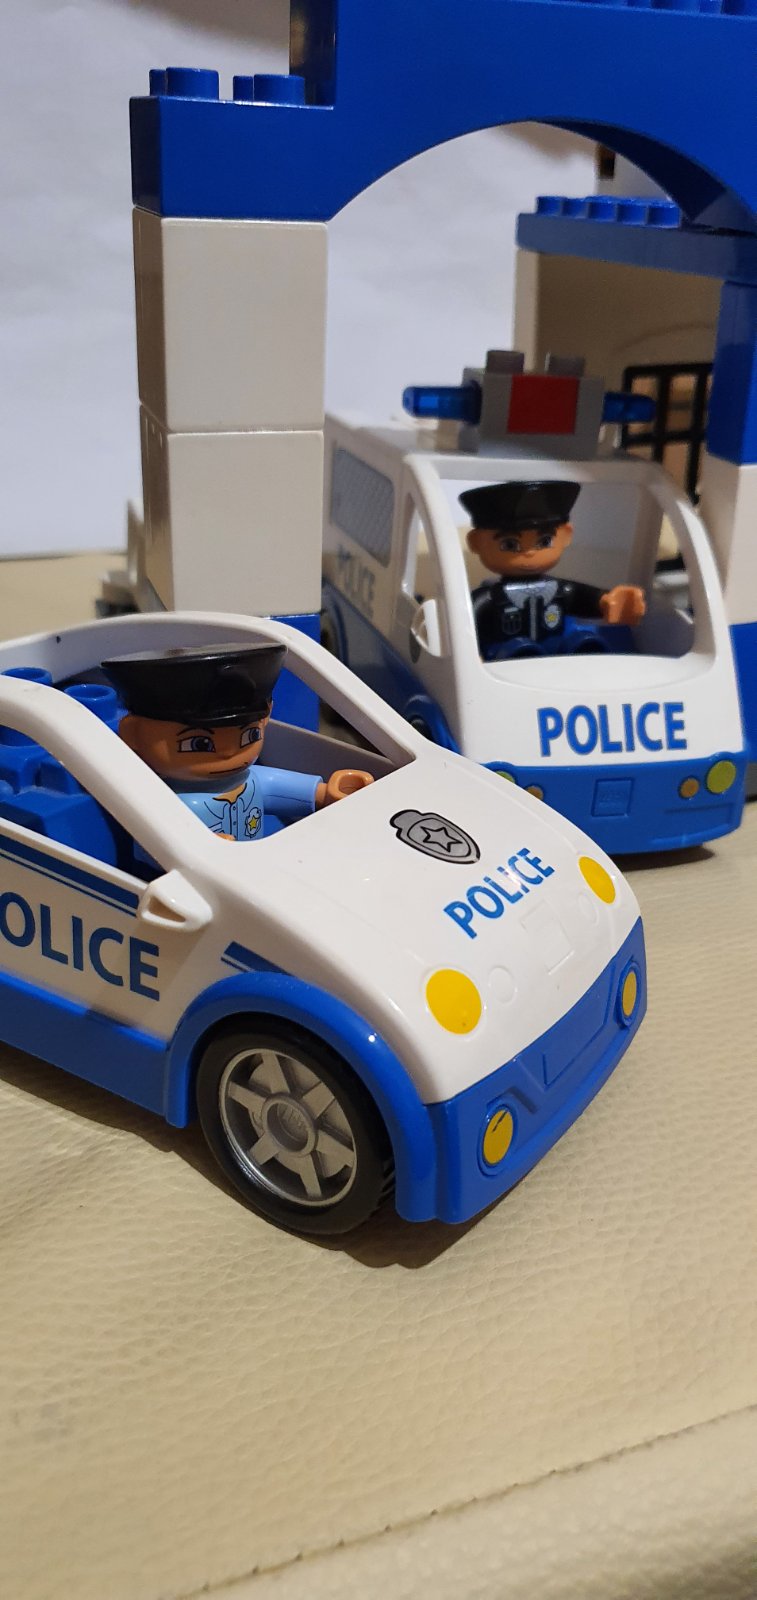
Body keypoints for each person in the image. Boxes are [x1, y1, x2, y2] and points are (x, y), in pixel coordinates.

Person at [103, 641, 373, 841]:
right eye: (199, 744)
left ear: (265, 719)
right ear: (134, 734)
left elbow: (284, 789)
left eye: (249, 735)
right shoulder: (164, 805)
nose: (228, 753)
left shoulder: (252, 780)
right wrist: (203, 849)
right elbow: (153, 848)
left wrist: (327, 793)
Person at [459, 480, 646, 660]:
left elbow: (580, 597)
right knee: (518, 650)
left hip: (556, 649)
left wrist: (605, 602)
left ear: (566, 536)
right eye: (509, 544)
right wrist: (469, 652)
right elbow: (467, 620)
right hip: (506, 653)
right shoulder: (491, 596)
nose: (530, 553)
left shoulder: (558, 589)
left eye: (544, 541)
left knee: (583, 641)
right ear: (476, 543)